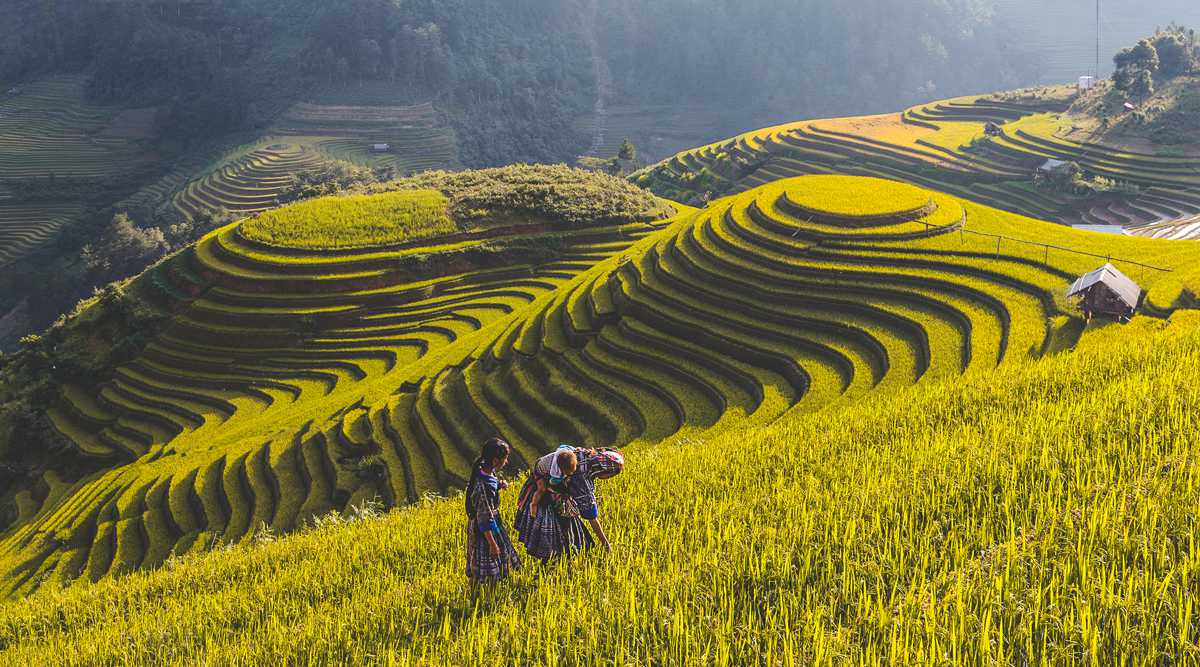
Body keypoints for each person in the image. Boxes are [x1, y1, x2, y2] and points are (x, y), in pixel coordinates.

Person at [514, 444, 625, 561]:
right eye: (610, 475)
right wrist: (606, 544)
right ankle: (553, 562)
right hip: (546, 493)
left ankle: (561, 559)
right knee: (552, 538)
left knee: (566, 532)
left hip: (551, 484)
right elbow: (591, 515)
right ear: (604, 471)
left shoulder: (585, 454)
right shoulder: (580, 476)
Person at [465, 437, 521, 583]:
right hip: (485, 529)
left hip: (491, 522)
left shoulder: (484, 470)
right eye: (505, 458)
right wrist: (492, 544)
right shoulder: (483, 487)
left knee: (495, 556)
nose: (506, 462)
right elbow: (483, 519)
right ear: (496, 461)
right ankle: (484, 589)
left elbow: (490, 482)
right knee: (490, 555)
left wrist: (499, 485)